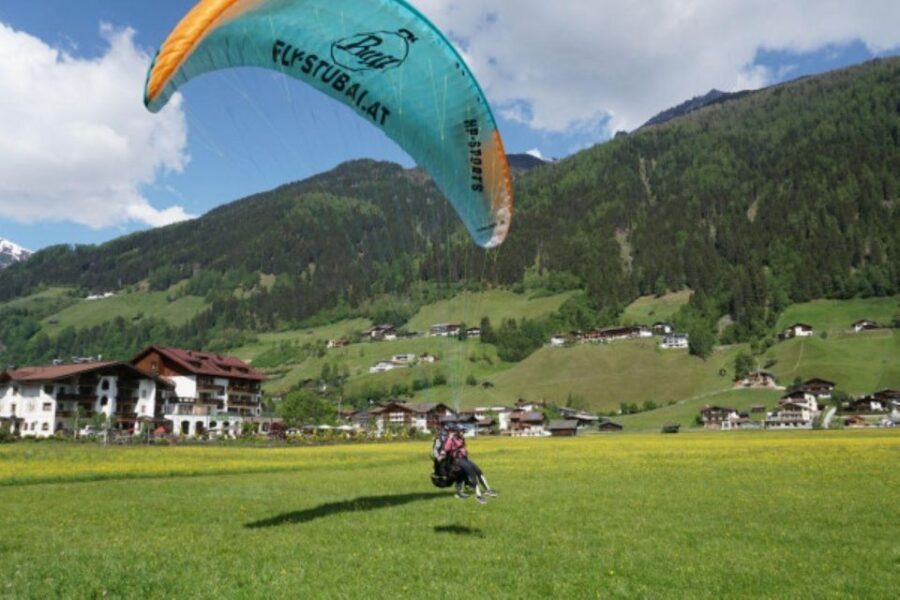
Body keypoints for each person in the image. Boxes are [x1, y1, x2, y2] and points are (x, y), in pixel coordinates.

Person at [441, 425, 497, 504]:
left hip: (464, 459)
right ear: (456, 432)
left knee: (478, 471)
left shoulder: (462, 439)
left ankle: (488, 490)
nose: (463, 433)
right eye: (461, 431)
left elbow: (464, 449)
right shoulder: (451, 439)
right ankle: (478, 495)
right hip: (457, 460)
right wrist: (450, 438)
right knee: (471, 473)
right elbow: (446, 449)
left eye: (463, 431)